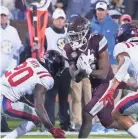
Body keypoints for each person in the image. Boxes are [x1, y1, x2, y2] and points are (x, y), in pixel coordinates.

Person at [64, 15, 122, 138]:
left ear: (85, 32)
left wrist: (88, 71)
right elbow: (76, 77)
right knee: (108, 122)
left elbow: (104, 72)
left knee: (87, 113)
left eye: (76, 35)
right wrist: (80, 71)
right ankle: (134, 128)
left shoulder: (97, 40)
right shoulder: (69, 48)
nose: (73, 39)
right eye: (71, 36)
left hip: (108, 83)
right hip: (96, 86)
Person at [1, 50, 66, 139]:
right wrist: (52, 130)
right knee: (37, 117)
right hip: (5, 102)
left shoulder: (31, 60)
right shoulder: (46, 78)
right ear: (53, 67)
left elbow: (19, 90)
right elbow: (38, 107)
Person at [100, 23, 138, 138]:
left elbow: (125, 61)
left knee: (117, 112)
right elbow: (135, 85)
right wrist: (121, 84)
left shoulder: (123, 46)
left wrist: (112, 88)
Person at [45, 8, 71, 131]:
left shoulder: (68, 32)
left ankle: (65, 123)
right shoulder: (46, 32)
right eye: (58, 19)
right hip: (51, 70)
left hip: (65, 68)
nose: (60, 21)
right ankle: (49, 123)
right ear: (53, 20)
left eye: (62, 19)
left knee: (64, 97)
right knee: (50, 97)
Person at [0, 6, 23, 132]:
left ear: (7, 17)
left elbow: (19, 48)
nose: (2, 18)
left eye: (4, 15)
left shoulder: (13, 31)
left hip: (8, 72)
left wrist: (14, 65)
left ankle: (3, 124)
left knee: (4, 99)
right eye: (0, 15)